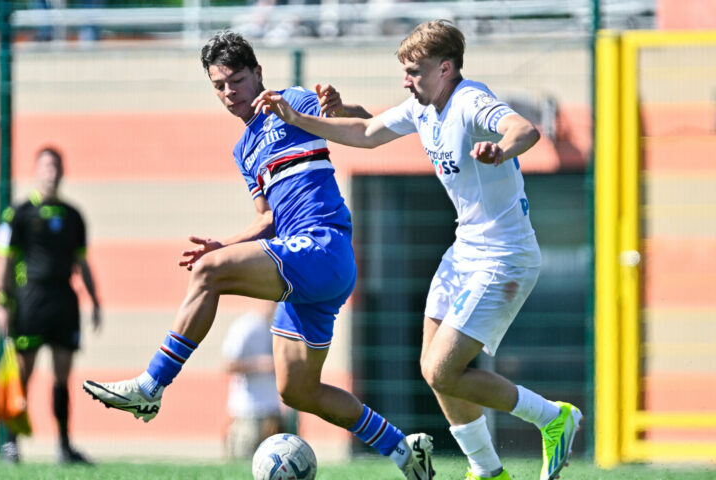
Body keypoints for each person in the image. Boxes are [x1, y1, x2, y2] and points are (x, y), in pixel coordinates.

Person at [82, 31, 434, 479]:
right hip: (304, 262)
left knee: (210, 275)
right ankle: (404, 450)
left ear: (258, 74)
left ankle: (151, 384)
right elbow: (266, 219)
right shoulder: (244, 149)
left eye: (237, 80)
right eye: (219, 86)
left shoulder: (294, 100)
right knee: (297, 391)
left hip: (322, 246)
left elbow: (366, 125)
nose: (230, 93)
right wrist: (225, 246)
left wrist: (338, 109)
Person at [252, 19, 582, 480]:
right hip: (465, 249)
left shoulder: (469, 100)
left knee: (444, 369)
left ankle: (553, 417)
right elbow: (367, 132)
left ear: (446, 68)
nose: (406, 80)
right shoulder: (422, 107)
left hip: (503, 256)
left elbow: (524, 128)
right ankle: (488, 471)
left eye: (414, 70)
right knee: (433, 369)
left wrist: (503, 149)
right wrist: (331, 112)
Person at [0, 146, 101, 464]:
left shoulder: (73, 216)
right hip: (30, 300)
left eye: (55, 166)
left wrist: (95, 300)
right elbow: (4, 260)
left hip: (64, 301)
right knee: (23, 374)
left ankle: (64, 446)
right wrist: (2, 301)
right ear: (37, 171)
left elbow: (83, 263)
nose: (51, 172)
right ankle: (11, 444)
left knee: (62, 375)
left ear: (62, 172)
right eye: (45, 166)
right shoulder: (18, 213)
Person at [222, 302, 284, 459]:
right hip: (248, 412)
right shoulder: (246, 326)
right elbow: (228, 364)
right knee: (243, 464)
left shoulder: (277, 328)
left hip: (272, 411)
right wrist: (260, 364)